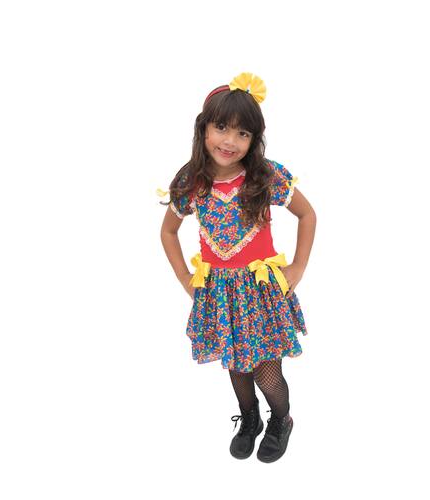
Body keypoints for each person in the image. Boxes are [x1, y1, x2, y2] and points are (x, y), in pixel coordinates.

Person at [157, 72, 316, 463]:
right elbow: (168, 232)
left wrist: (298, 266)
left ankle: (281, 419)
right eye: (221, 128)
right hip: (220, 293)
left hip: (260, 292)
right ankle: (249, 418)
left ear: (254, 139)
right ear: (203, 128)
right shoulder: (191, 181)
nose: (230, 141)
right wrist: (185, 278)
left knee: (266, 371)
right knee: (237, 365)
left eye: (242, 133)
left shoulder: (265, 176)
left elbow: (307, 214)